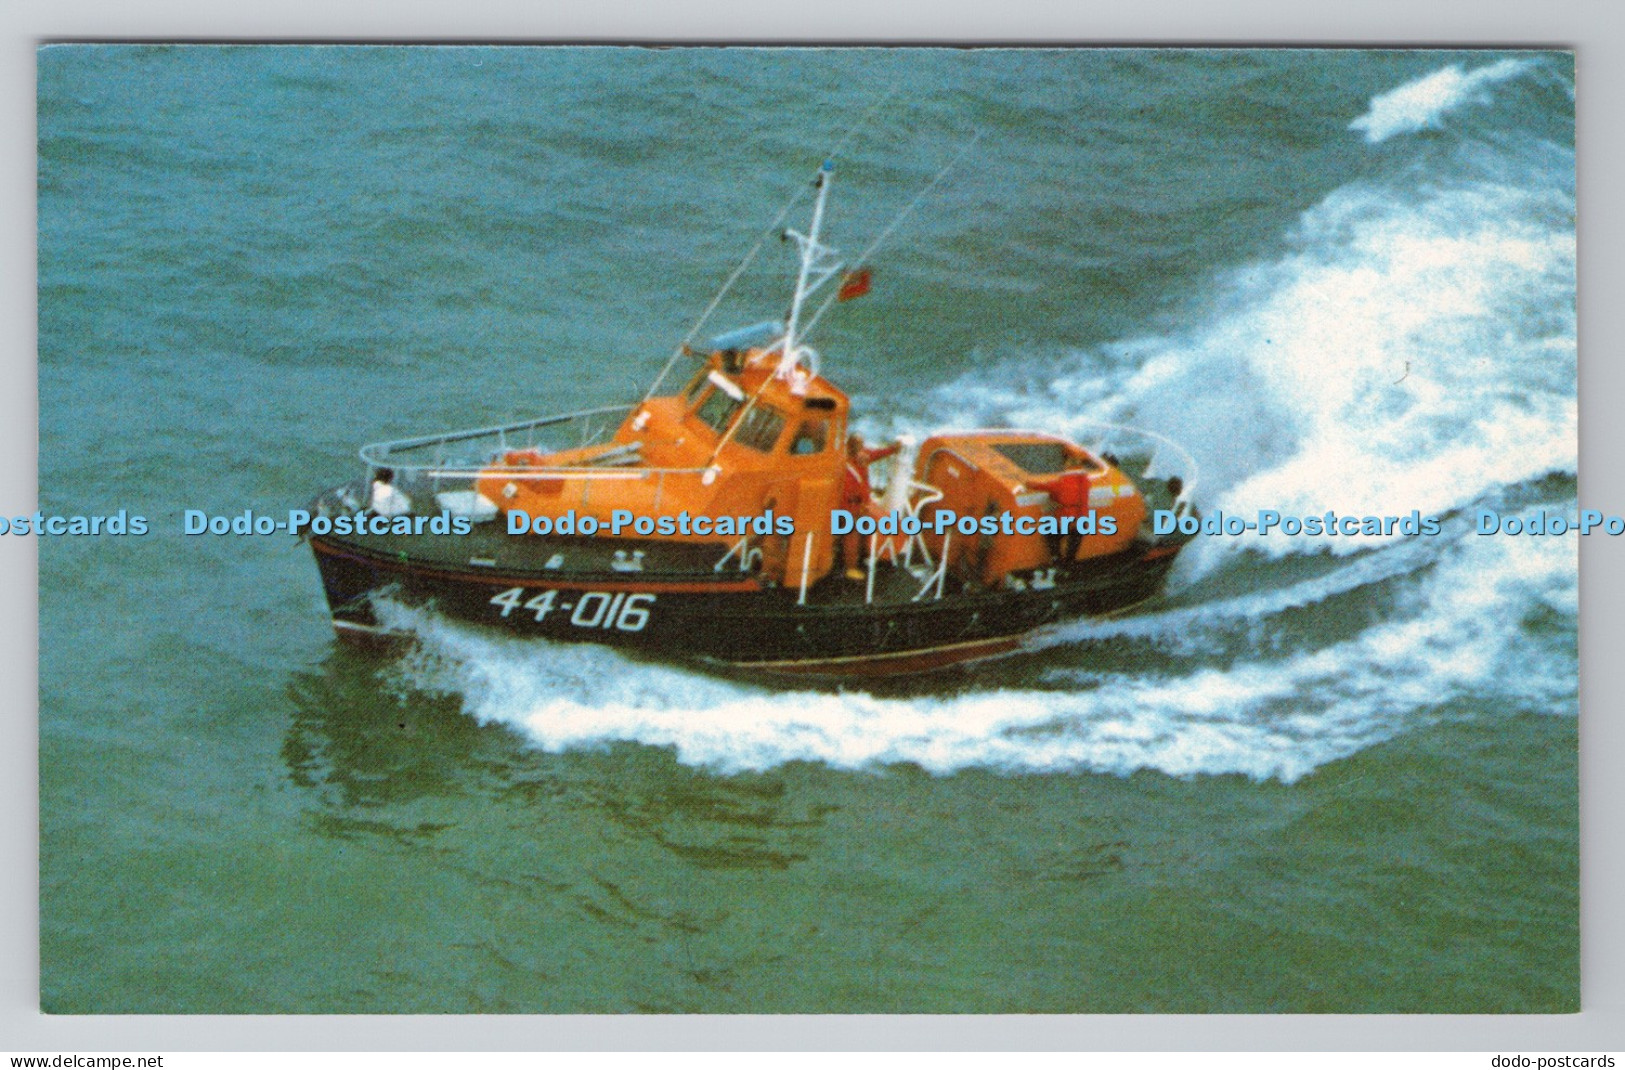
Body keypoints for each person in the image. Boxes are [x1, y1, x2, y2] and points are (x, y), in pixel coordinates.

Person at [840, 432, 902, 580]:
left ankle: (866, 555)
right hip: (850, 509)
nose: (864, 452)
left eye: (862, 446)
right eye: (859, 447)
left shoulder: (863, 456)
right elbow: (848, 494)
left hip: (861, 506)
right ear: (851, 448)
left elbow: (876, 454)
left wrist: (893, 449)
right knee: (852, 536)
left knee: (865, 530)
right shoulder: (846, 467)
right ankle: (850, 568)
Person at [1032, 457, 1091, 564]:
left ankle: (1056, 559)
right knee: (1072, 549)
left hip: (1068, 518)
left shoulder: (1063, 481)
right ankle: (1069, 567)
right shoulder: (1084, 480)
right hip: (1082, 520)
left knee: (1050, 534)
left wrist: (1028, 484)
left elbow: (1045, 486)